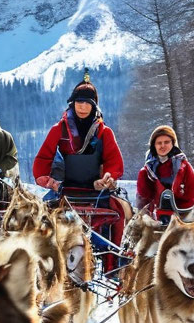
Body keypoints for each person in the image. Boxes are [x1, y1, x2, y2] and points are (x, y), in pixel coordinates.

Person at [32, 78, 128, 269]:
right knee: (38, 216)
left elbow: (114, 162)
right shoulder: (59, 130)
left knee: (119, 211)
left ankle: (113, 264)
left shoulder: (104, 132)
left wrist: (108, 177)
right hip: (65, 191)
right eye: (79, 102)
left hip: (97, 192)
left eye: (87, 103)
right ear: (72, 103)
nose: (82, 107)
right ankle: (42, 266)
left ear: (94, 106)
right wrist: (46, 180)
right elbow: (43, 158)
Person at [135, 125, 194, 215]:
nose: (163, 146)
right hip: (156, 220)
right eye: (159, 143)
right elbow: (143, 201)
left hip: (183, 217)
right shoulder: (146, 172)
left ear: (173, 143)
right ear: (154, 146)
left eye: (166, 142)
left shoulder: (184, 166)